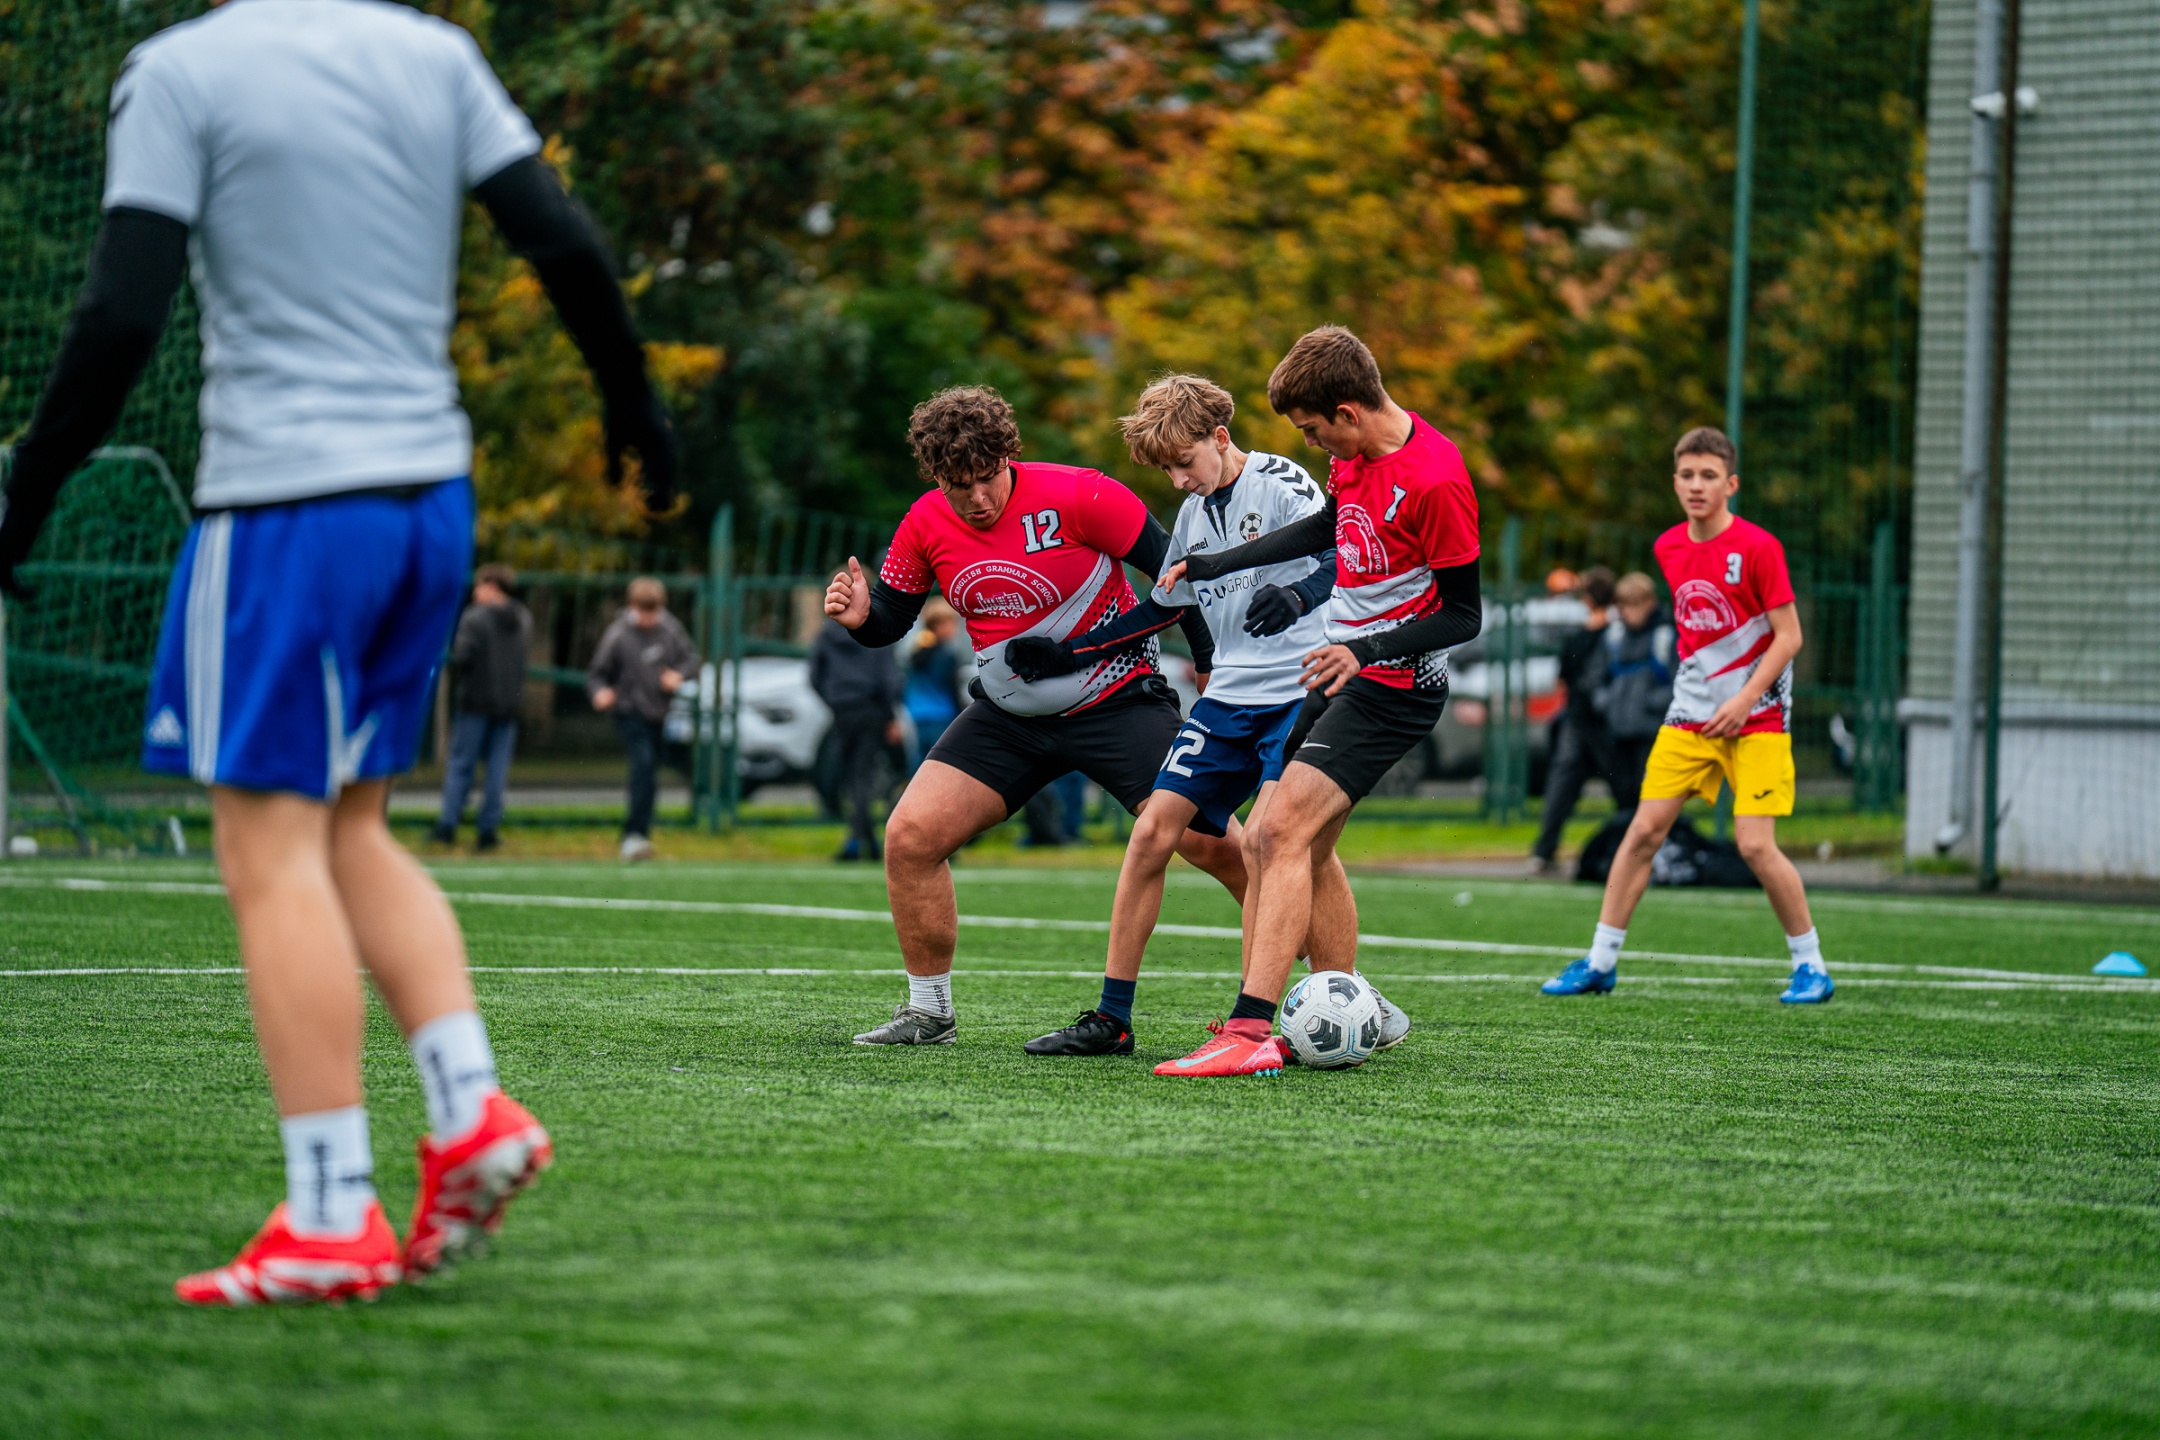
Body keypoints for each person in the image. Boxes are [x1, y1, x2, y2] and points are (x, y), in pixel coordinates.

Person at [0, 0, 675, 1305]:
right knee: (353, 830)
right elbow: (561, 238)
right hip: (429, 503)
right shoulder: (434, 53)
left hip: (287, 507)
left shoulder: (183, 70)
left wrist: (27, 491)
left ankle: (327, 1214)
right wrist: (632, 399)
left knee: (269, 852)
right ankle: (469, 1110)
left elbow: (123, 308)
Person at [821, 384, 1244, 1045]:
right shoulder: (924, 522)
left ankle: (1334, 985)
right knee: (909, 837)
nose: (977, 497)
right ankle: (929, 1013)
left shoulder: (1083, 494)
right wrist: (860, 619)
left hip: (1118, 702)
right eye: (959, 484)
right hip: (1010, 718)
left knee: (1217, 844)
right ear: (936, 477)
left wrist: (1209, 665)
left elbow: (1179, 577)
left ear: (1008, 456)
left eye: (987, 476)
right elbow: (891, 621)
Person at [1021, 374, 1411, 1058]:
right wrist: (1069, 653)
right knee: (1152, 834)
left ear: (1220, 437)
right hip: (1228, 698)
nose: (1179, 481)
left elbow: (1341, 556)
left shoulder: (1282, 482)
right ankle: (1113, 1019)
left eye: (1184, 462)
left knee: (1275, 841)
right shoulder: (1194, 515)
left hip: (1299, 688)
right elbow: (1165, 604)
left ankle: (1275, 1014)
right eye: (1167, 471)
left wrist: (1299, 597)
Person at [1152, 327, 1483, 1077]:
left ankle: (1248, 1032)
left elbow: (1465, 616)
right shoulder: (1353, 458)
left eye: (1311, 429)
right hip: (1339, 677)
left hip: (1395, 687)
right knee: (1293, 844)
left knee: (1277, 834)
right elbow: (1329, 526)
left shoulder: (1435, 479)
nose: (1311, 444)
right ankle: (1356, 1004)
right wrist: (1217, 562)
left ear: (1348, 411)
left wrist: (1364, 650)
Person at [1541, 427, 1834, 1004]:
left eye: (1708, 476)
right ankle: (1600, 961)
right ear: (1675, 482)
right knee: (1643, 831)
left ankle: (1811, 966)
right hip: (1690, 717)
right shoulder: (1669, 547)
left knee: (1755, 846)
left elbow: (1789, 636)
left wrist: (1743, 700)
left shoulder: (1759, 548)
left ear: (1731, 484)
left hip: (1758, 718)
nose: (1697, 485)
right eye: (1687, 475)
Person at [588, 576, 696, 862]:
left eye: (653, 611)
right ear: (633, 607)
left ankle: (641, 835)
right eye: (643, 611)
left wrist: (678, 675)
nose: (649, 618)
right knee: (643, 766)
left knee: (651, 773)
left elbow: (690, 661)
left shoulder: (670, 629)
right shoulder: (618, 634)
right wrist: (600, 692)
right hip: (629, 711)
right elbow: (597, 673)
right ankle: (633, 834)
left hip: (659, 714)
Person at [431, 563, 532, 852]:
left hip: (474, 702)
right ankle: (488, 830)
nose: (475, 592)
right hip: (508, 704)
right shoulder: (523, 618)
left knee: (461, 765)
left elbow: (462, 656)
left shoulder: (475, 618)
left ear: (492, 587)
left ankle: (448, 825)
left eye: (480, 586)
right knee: (497, 771)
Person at [1530, 566, 1617, 874]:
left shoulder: (1578, 638)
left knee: (1562, 787)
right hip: (1608, 723)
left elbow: (1563, 680)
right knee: (1624, 788)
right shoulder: (1617, 637)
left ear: (1587, 599)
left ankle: (1544, 851)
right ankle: (1636, 849)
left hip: (1577, 721)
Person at [810, 613, 904, 861]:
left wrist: (833, 699)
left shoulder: (827, 634)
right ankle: (862, 841)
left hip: (842, 710)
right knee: (863, 775)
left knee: (851, 774)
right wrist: (891, 716)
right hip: (871, 709)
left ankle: (861, 839)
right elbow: (887, 677)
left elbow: (814, 675)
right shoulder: (877, 631)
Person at [1591, 571, 1676, 807]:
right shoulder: (1614, 637)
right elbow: (1597, 678)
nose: (1631, 612)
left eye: (1636, 605)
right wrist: (1607, 703)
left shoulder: (1664, 637)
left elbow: (1677, 682)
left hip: (1651, 730)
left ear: (1650, 603)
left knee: (1651, 796)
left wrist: (1651, 703)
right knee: (1623, 796)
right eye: (1626, 605)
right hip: (1618, 729)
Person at [902, 597, 966, 770]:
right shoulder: (946, 655)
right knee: (943, 765)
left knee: (920, 765)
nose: (955, 628)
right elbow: (952, 688)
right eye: (951, 623)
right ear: (939, 625)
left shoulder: (916, 649)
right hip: (943, 715)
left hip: (917, 715)